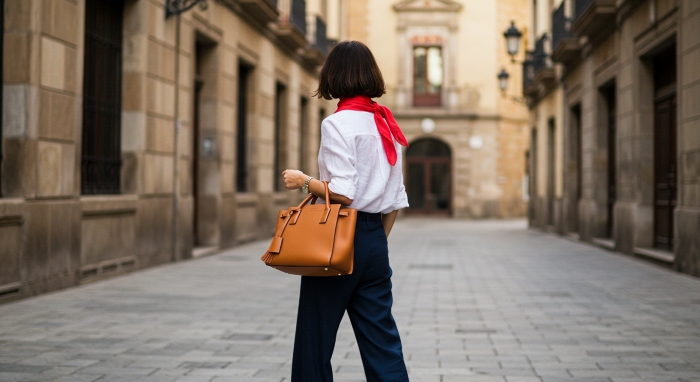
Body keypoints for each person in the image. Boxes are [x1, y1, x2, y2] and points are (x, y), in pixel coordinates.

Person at [281, 40, 411, 382]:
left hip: (338, 239)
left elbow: (344, 193)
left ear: (333, 76)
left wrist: (303, 181)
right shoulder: (387, 126)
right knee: (382, 342)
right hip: (374, 242)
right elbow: (396, 198)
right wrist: (373, 242)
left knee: (315, 339)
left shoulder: (337, 124)